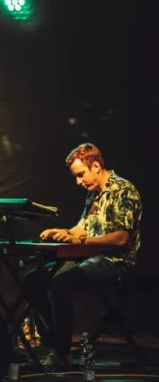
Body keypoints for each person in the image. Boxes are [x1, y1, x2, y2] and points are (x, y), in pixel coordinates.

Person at [23, 143, 142, 366]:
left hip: (115, 261)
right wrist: (63, 232)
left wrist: (82, 241)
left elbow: (120, 239)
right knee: (32, 278)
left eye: (80, 175)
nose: (79, 182)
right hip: (89, 257)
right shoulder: (93, 194)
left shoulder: (124, 191)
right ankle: (51, 340)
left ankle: (62, 353)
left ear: (95, 166)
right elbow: (82, 228)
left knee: (61, 282)